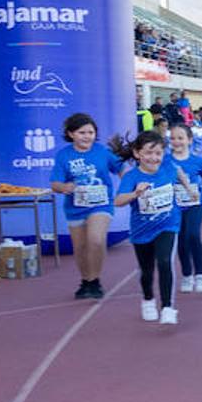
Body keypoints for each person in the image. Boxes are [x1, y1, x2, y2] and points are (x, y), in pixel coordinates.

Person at [111, 131, 193, 325]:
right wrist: (135, 193)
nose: (154, 158)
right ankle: (148, 299)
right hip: (142, 230)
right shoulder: (132, 177)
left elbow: (179, 173)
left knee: (165, 261)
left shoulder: (168, 167)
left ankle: (167, 307)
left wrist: (188, 187)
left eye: (158, 153)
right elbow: (118, 201)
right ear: (137, 153)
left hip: (168, 224)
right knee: (147, 270)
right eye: (149, 153)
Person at [49, 113, 121, 300]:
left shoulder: (102, 152)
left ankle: (96, 280)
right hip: (75, 207)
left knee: (96, 240)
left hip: (101, 204)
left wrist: (129, 184)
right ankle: (86, 281)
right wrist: (64, 187)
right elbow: (55, 183)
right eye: (82, 132)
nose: (87, 136)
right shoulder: (64, 155)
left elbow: (120, 168)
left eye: (91, 132)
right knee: (80, 247)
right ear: (71, 134)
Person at [168, 124, 202, 295]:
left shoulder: (196, 161)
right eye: (173, 138)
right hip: (175, 207)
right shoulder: (166, 161)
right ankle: (186, 275)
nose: (176, 142)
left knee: (193, 234)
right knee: (181, 240)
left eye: (180, 138)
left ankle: (200, 274)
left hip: (195, 204)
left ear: (189, 140)